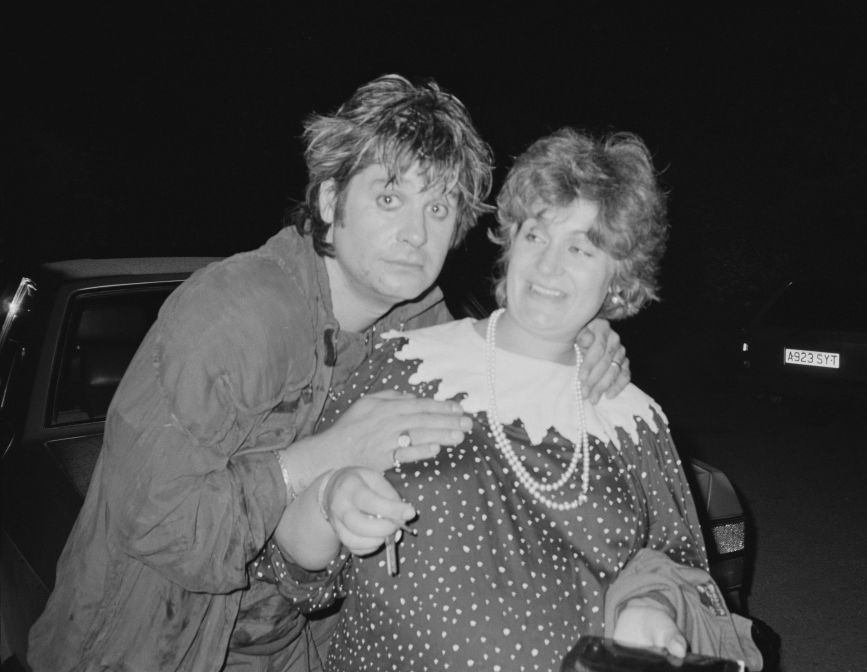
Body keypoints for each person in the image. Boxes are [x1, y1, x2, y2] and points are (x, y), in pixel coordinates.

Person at [28, 76, 630, 671]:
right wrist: (320, 458)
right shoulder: (235, 317)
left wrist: (578, 335)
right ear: (329, 201)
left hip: (301, 647)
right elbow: (159, 526)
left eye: (438, 207)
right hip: (147, 647)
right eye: (389, 198)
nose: (415, 234)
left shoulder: (421, 328)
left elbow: (502, 366)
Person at [258, 128, 764, 671]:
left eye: (581, 247)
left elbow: (687, 574)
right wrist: (330, 499)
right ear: (509, 244)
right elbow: (288, 561)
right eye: (535, 236)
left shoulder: (636, 423)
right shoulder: (404, 364)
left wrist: (652, 607)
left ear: (618, 279)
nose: (549, 266)